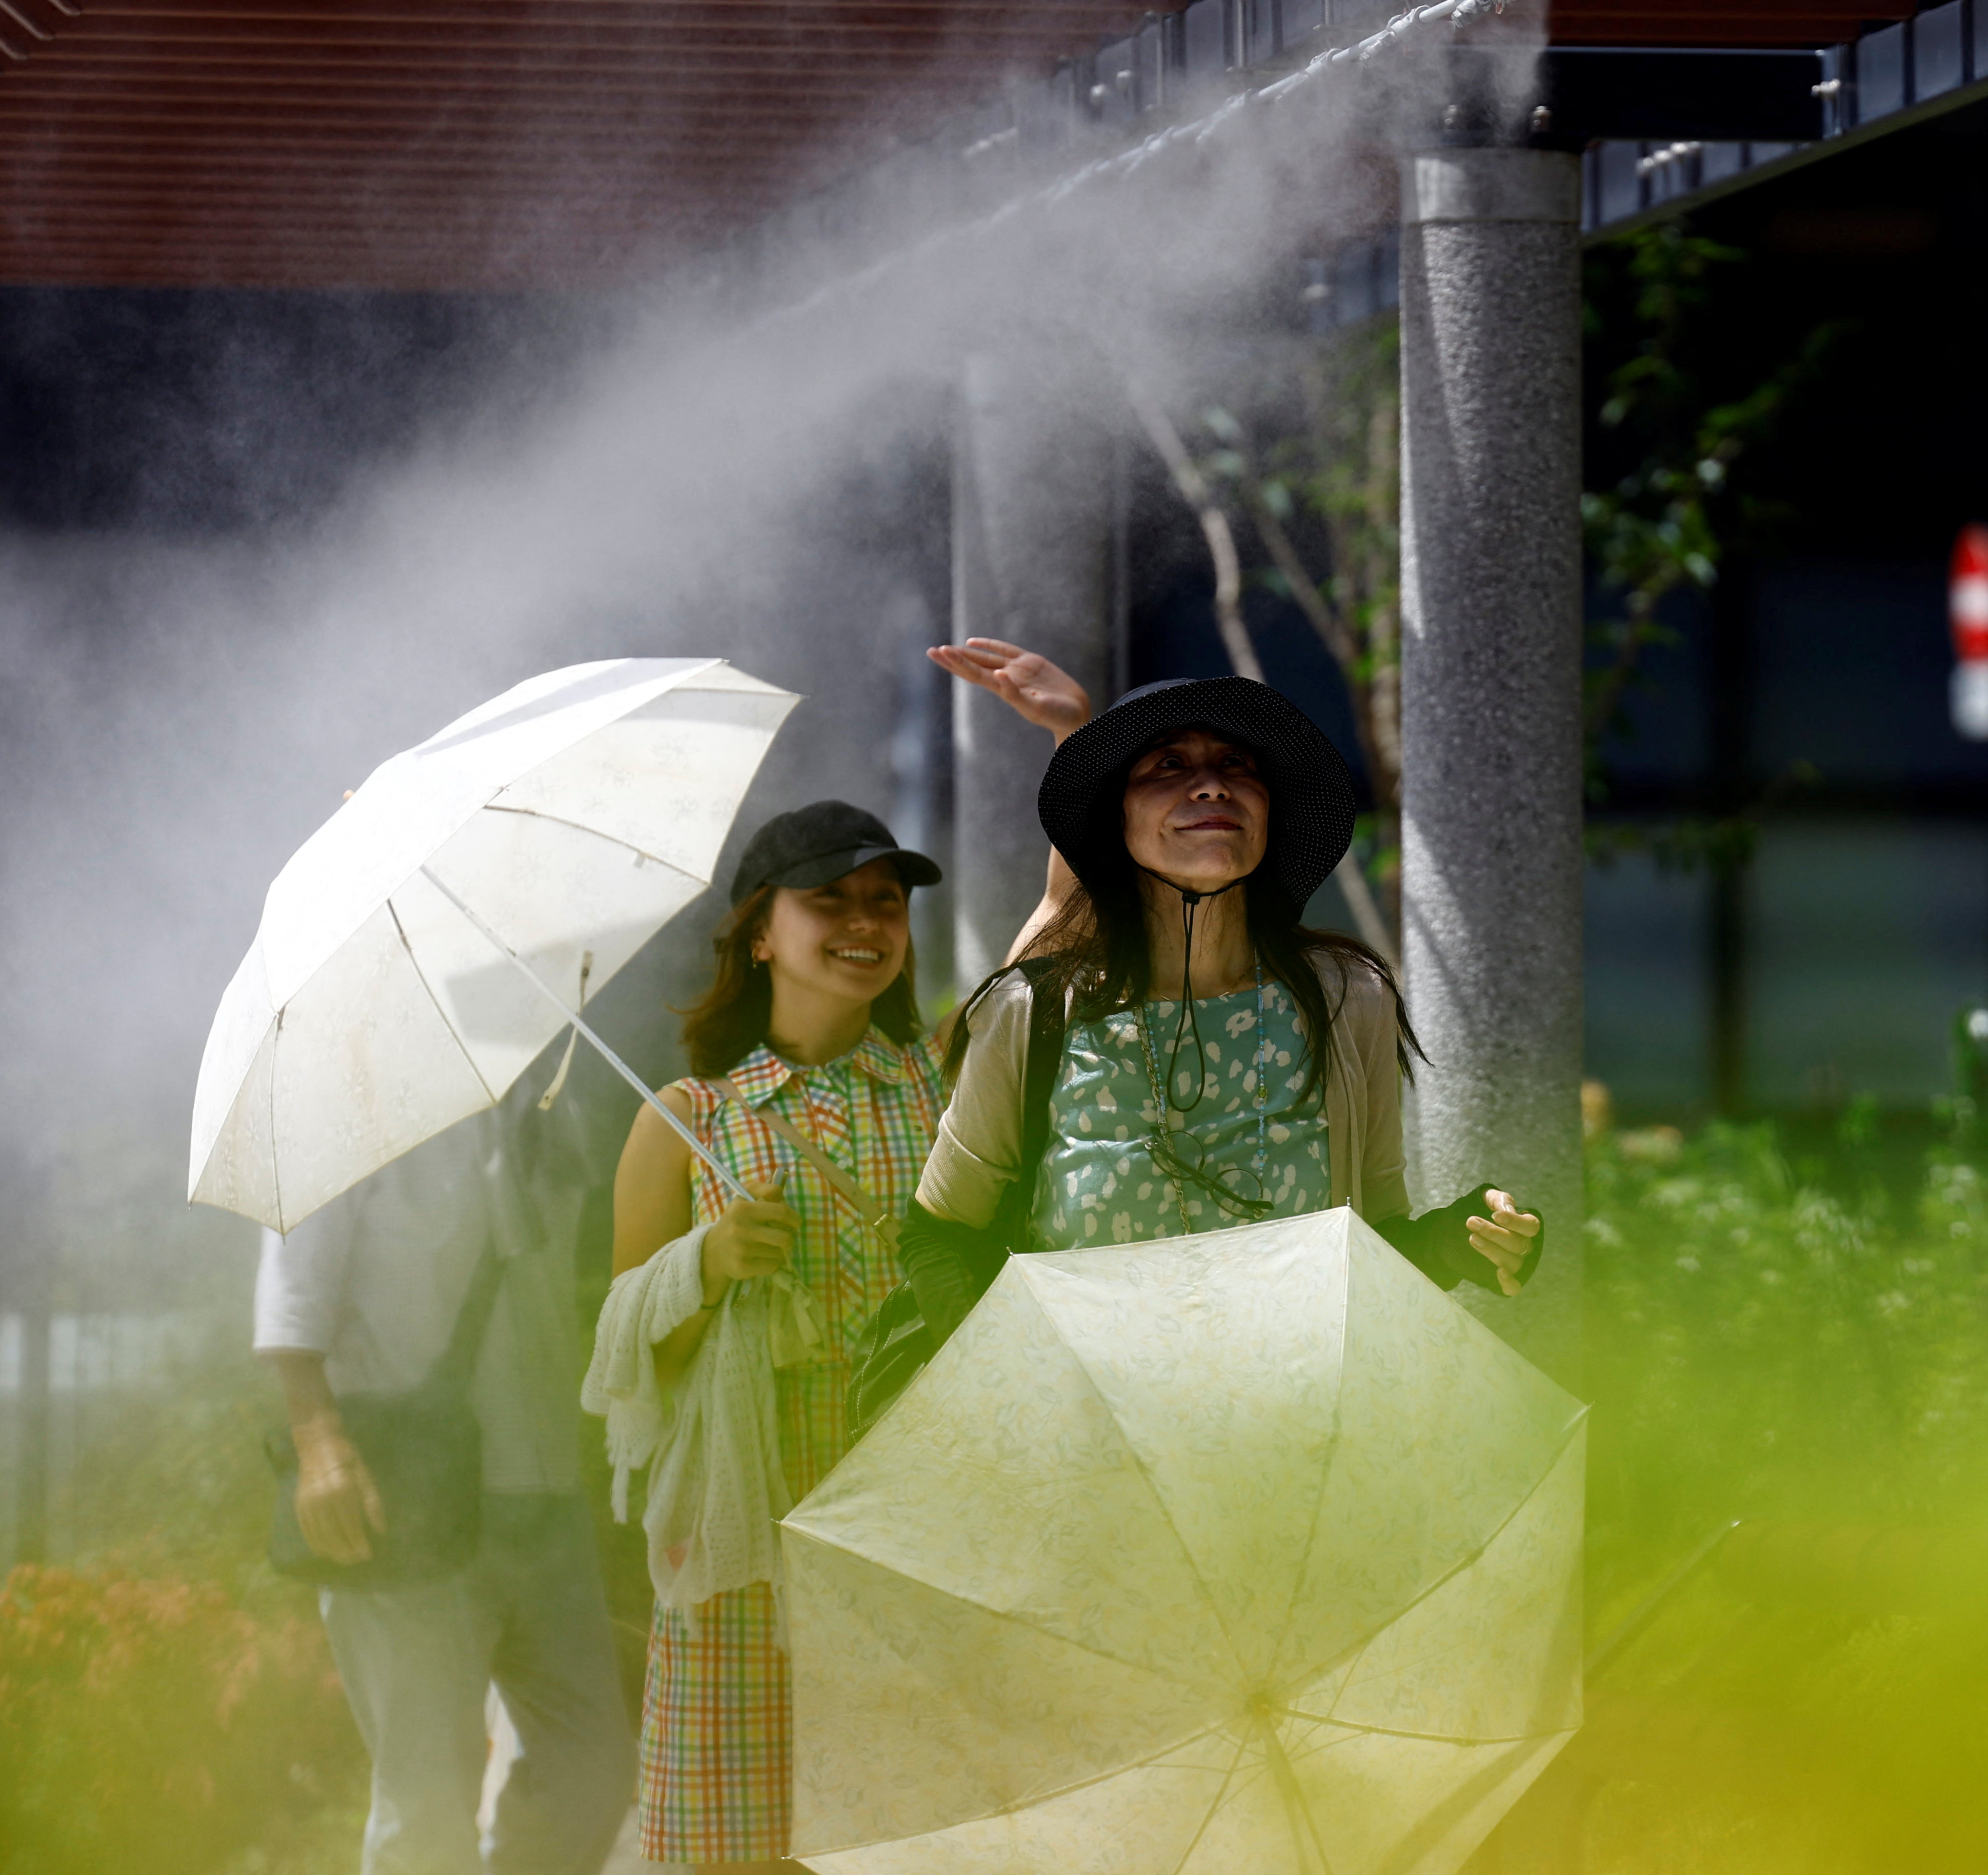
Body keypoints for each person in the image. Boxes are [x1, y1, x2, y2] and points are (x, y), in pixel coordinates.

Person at [581, 642, 1084, 1873]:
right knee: (736, 1849)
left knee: (913, 1841)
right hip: (743, 1550)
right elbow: (619, 1359)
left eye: (884, 902)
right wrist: (701, 1269)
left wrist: (1074, 741)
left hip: (918, 1534)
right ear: (758, 934)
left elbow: (1065, 922)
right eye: (831, 902)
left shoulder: (946, 1075)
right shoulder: (681, 1121)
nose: (865, 925)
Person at [898, 673, 1542, 1341]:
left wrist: (1458, 1239)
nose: (1212, 786)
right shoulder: (1033, 1011)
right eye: (1169, 765)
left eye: (1236, 764)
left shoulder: (1348, 998)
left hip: (1290, 1424)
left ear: (1269, 812)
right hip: (1085, 1426)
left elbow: (1374, 1244)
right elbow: (938, 1235)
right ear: (1116, 819)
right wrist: (1000, 1381)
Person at [256, 1103, 632, 1875]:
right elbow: (293, 1296)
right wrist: (319, 1444)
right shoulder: (340, 1116)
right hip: (410, 1506)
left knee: (597, 1769)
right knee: (424, 1805)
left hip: (547, 1496)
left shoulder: (554, 1104)